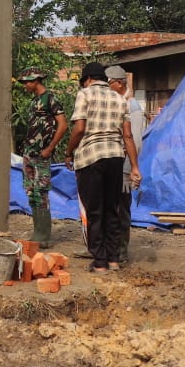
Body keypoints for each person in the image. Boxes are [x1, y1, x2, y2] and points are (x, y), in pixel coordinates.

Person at [64, 62, 140, 273]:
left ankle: (99, 262)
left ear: (87, 79)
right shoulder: (119, 98)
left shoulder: (85, 94)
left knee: (94, 210)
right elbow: (128, 135)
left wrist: (69, 152)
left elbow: (79, 129)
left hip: (91, 157)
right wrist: (134, 166)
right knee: (112, 209)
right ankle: (113, 259)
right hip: (115, 157)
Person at [16, 68, 67, 248]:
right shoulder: (34, 101)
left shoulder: (50, 99)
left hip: (42, 154)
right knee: (32, 192)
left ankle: (44, 236)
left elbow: (63, 125)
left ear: (36, 81)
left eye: (27, 82)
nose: (25, 86)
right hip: (29, 153)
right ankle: (37, 232)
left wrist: (50, 148)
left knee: (42, 193)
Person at [106, 65, 147, 262]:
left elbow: (135, 141)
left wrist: (130, 169)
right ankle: (110, 248)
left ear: (120, 83)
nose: (107, 88)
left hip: (124, 167)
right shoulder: (116, 103)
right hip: (112, 164)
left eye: (109, 83)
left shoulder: (132, 107)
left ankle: (121, 251)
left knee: (122, 208)